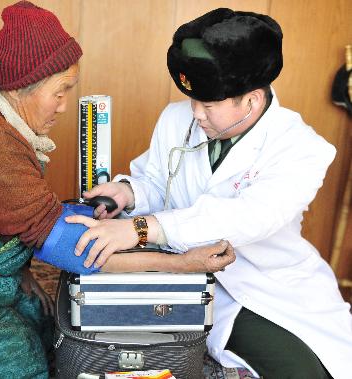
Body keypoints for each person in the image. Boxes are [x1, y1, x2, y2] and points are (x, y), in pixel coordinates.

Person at [0, 2, 235, 378]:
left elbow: (30, 217)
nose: (65, 106)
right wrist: (185, 265)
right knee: (25, 363)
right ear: (23, 88)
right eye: (60, 91)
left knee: (37, 314)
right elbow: (83, 255)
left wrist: (40, 250)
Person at [67, 8, 352, 379]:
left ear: (250, 99)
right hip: (191, 279)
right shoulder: (176, 118)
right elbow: (157, 181)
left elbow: (246, 218)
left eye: (209, 105)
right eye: (193, 102)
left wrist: (141, 227)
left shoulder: (301, 148)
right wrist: (127, 192)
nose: (197, 114)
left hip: (271, 284)